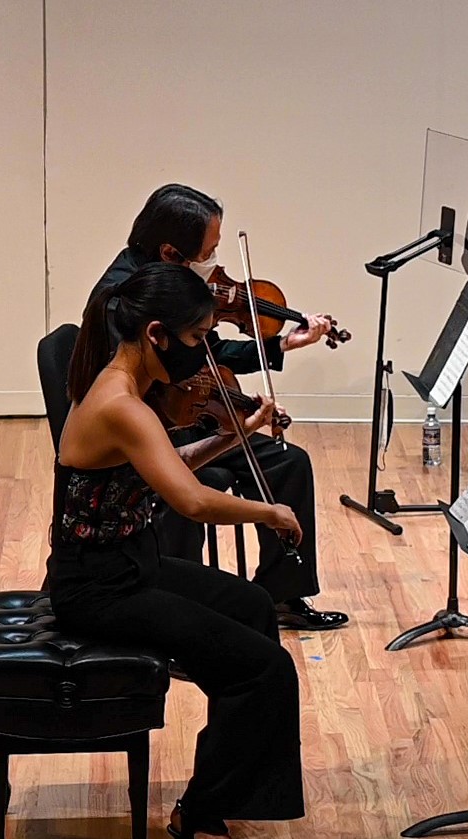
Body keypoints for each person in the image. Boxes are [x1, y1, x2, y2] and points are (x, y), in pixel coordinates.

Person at [53, 261, 303, 837]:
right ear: (156, 334)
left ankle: (231, 785)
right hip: (98, 590)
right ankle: (199, 809)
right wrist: (270, 512)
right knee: (266, 669)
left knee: (253, 607)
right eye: (196, 338)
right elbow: (191, 502)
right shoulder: (121, 405)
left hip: (130, 566)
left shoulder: (125, 390)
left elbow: (170, 467)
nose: (201, 353)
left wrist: (236, 434)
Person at [91, 184, 348, 630]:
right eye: (207, 251)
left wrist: (280, 344)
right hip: (151, 432)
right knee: (185, 489)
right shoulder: (123, 300)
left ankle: (282, 595)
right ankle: (179, 611)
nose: (212, 262)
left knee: (289, 463)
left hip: (191, 417)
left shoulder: (172, 281)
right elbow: (148, 385)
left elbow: (207, 352)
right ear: (170, 251)